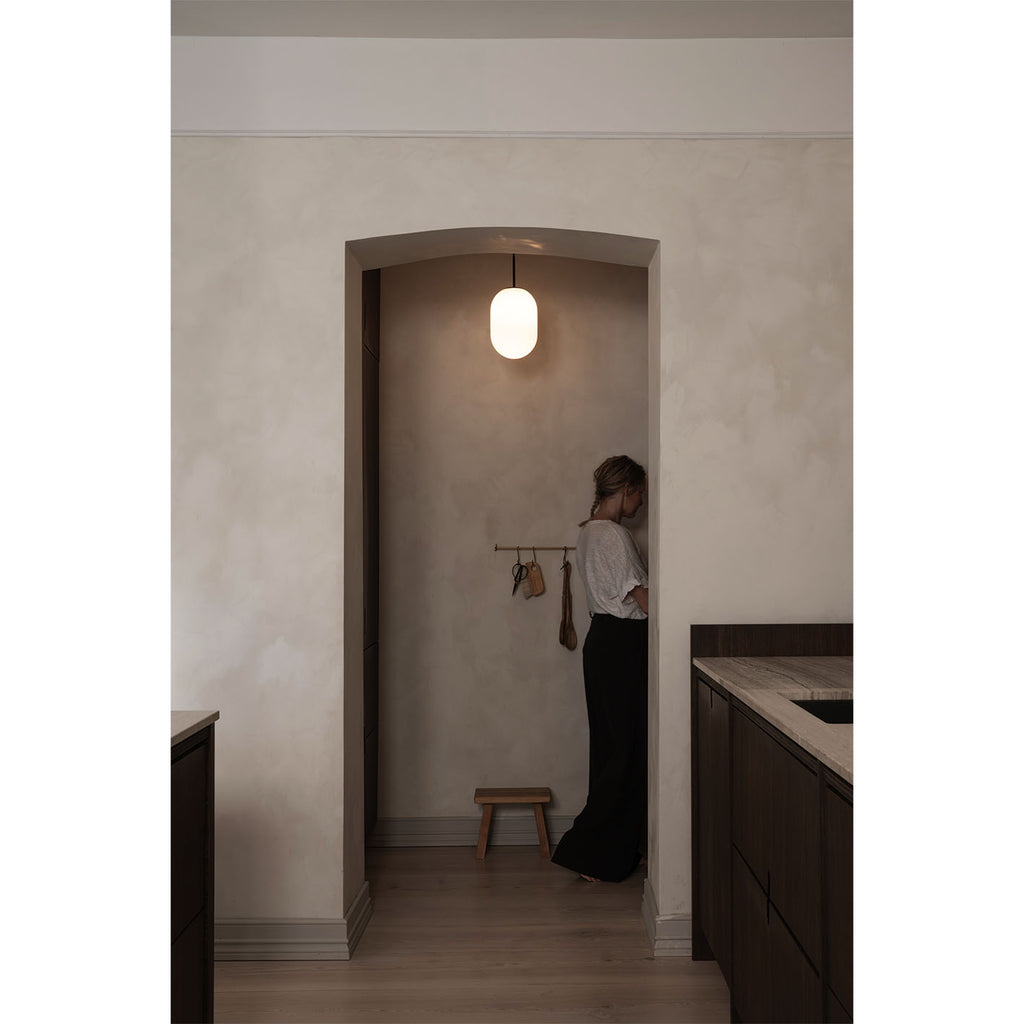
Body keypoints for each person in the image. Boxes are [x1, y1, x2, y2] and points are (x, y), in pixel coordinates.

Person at [551, 455, 649, 883]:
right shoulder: (614, 535)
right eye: (639, 493)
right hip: (622, 644)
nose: (641, 502)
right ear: (625, 489)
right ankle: (588, 853)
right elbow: (644, 601)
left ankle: (614, 850)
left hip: (604, 642)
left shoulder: (588, 532)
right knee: (626, 749)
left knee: (613, 747)